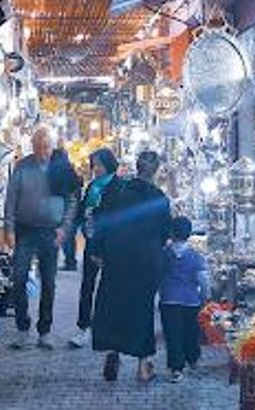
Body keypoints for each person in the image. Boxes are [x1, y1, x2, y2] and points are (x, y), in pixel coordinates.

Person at [91, 150, 171, 382]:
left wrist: (97, 250)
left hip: (117, 256)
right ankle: (143, 366)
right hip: (146, 261)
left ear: (136, 167)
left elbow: (101, 221)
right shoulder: (159, 198)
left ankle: (113, 351)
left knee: (114, 304)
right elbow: (165, 232)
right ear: (155, 171)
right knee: (142, 311)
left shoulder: (116, 191)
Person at [4, 126, 77, 350]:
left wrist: (64, 228)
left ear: (51, 147)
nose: (42, 151)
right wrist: (9, 229)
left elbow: (72, 201)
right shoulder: (22, 167)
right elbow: (11, 198)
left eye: (45, 147)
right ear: (32, 146)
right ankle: (22, 327)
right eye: (38, 147)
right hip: (25, 229)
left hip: (50, 232)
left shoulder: (61, 168)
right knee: (18, 278)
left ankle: (44, 331)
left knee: (48, 283)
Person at [68, 148, 123, 349]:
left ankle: (108, 326)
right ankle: (84, 327)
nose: (96, 169)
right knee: (87, 286)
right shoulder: (92, 187)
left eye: (99, 165)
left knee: (110, 286)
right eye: (94, 165)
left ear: (109, 164)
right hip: (91, 241)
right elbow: (83, 212)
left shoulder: (118, 186)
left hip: (111, 243)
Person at [159, 216, 209, 383]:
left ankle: (176, 369)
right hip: (191, 301)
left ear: (171, 233)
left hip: (168, 300)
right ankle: (193, 360)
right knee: (191, 332)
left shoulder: (164, 254)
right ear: (189, 234)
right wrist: (203, 299)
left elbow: (157, 275)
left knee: (172, 335)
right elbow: (203, 281)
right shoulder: (196, 256)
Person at [50, 149, 82, 271]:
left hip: (61, 209)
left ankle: (65, 261)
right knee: (68, 236)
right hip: (72, 209)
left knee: (60, 236)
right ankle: (70, 261)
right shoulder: (70, 172)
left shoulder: (55, 172)